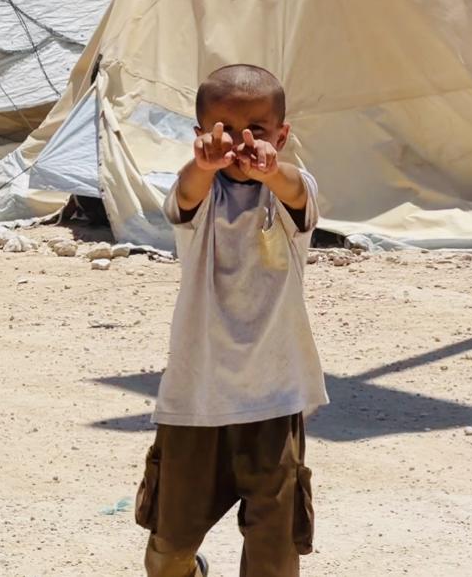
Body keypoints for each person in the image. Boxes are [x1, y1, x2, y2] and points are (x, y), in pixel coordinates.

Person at [134, 64, 328, 577]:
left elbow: (297, 190)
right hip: (196, 399)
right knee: (168, 553)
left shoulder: (288, 192)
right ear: (201, 135)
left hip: (274, 399)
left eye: (256, 130)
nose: (241, 144)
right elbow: (186, 194)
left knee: (274, 554)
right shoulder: (199, 194)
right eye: (225, 130)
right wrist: (203, 165)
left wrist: (271, 171)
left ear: (281, 135)